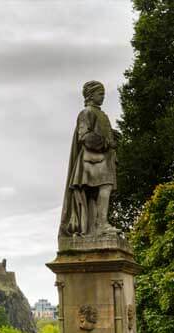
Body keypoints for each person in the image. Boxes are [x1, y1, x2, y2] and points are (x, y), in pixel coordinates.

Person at [59, 81, 119, 236]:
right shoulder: (86, 112)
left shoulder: (100, 114)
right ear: (91, 95)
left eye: (104, 94)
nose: (103, 97)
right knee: (105, 186)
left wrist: (112, 134)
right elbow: (84, 136)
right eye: (100, 94)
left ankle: (97, 225)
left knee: (100, 191)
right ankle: (101, 224)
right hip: (92, 160)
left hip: (101, 159)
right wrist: (106, 143)